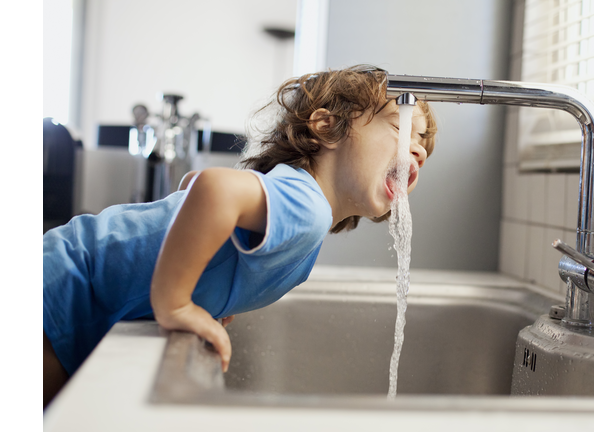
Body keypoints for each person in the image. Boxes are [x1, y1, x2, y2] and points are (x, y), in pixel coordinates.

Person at [42, 65, 437, 408]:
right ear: (326, 127)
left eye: (424, 145)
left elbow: (190, 184)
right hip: (66, 285)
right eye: (403, 128)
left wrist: (204, 283)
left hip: (75, 285)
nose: (417, 149)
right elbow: (213, 188)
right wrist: (177, 302)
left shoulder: (296, 199)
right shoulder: (308, 206)